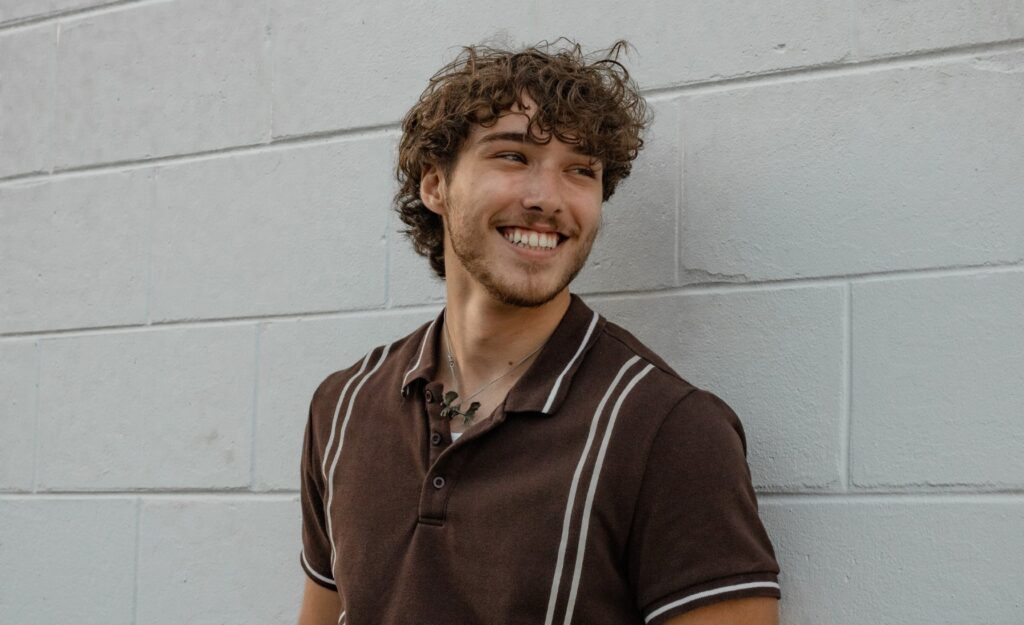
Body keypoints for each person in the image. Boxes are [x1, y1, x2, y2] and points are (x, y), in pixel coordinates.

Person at [297, 40, 781, 625]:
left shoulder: (667, 430)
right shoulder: (342, 407)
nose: (547, 199)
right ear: (434, 185)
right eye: (513, 157)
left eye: (581, 171)